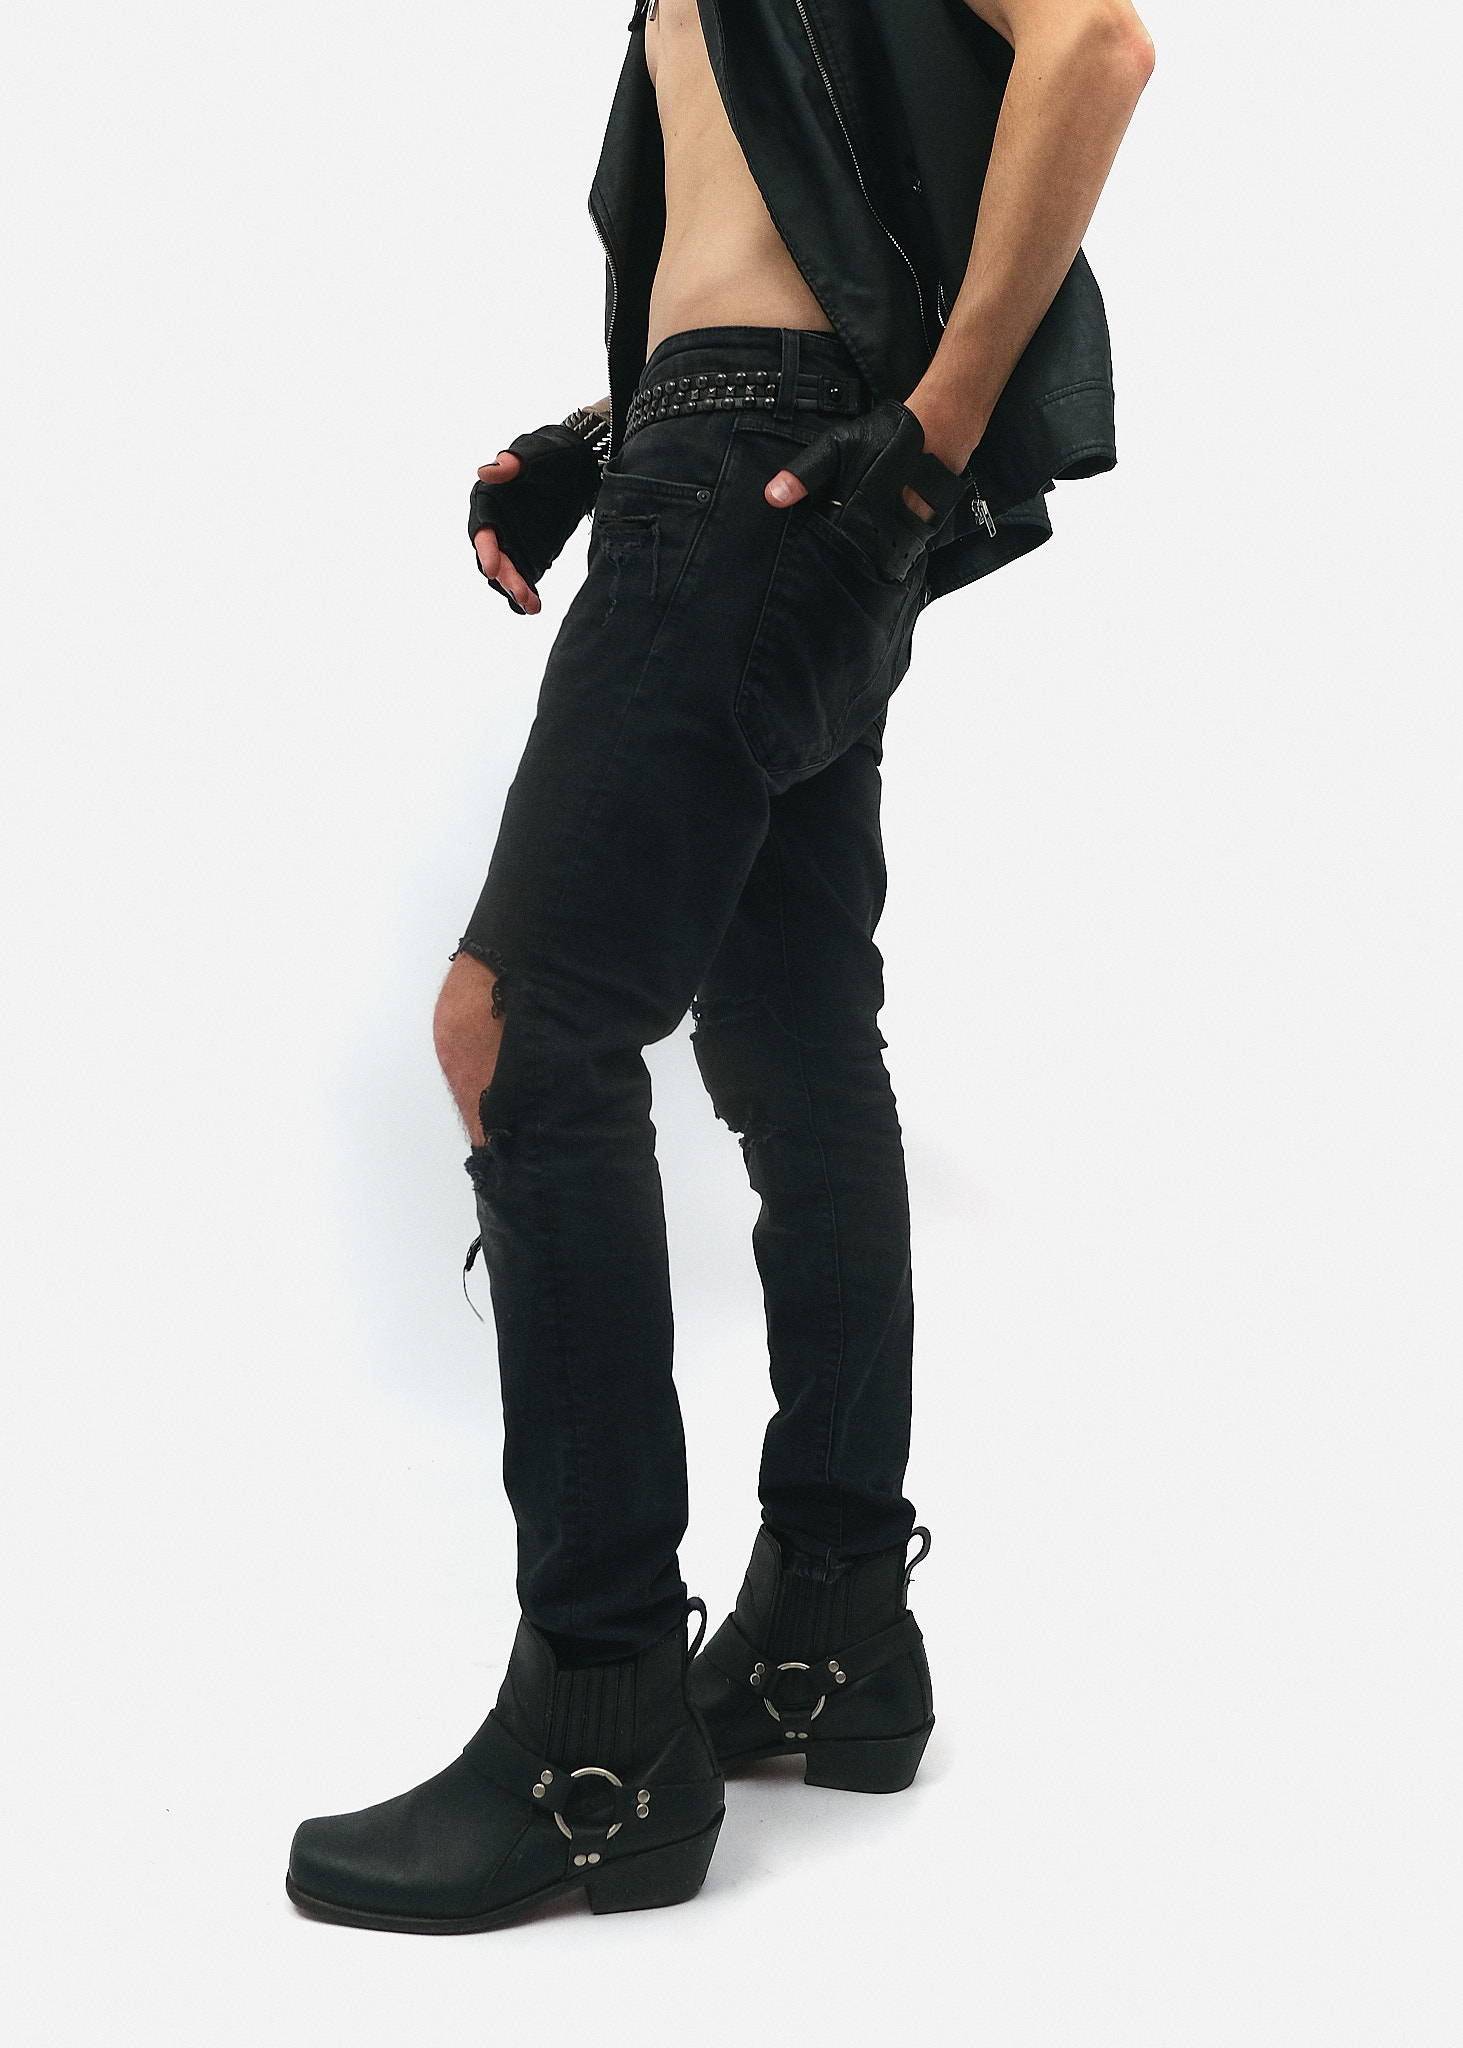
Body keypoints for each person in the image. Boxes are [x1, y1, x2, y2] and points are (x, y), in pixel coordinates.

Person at [287, 0, 1154, 1934]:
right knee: (791, 1041)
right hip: (758, 466)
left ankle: (597, 1727)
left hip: (780, 476)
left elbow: (1093, 44)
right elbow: (791, 236)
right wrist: (602, 441)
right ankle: (831, 1628)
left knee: (518, 1029)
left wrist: (929, 439)